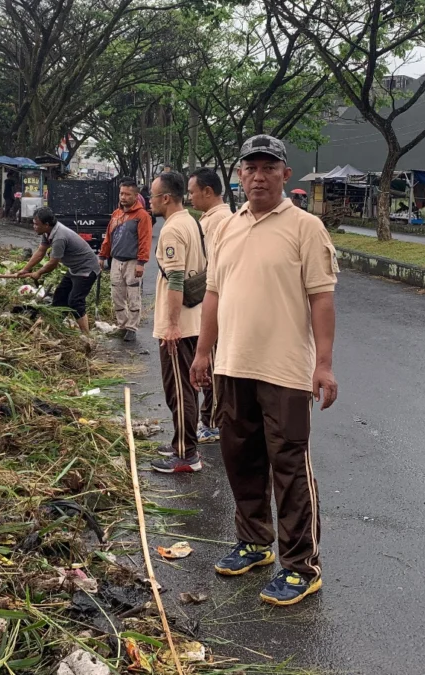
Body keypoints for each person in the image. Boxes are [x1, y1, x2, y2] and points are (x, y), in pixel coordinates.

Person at [191, 134, 339, 606]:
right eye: (250, 167)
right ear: (239, 174)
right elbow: (213, 295)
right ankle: (254, 542)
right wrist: (203, 353)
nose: (258, 175)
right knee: (240, 458)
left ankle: (301, 566)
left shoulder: (306, 227)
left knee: (289, 466)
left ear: (284, 175)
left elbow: (322, 297)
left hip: (286, 371)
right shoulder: (226, 228)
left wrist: (325, 364)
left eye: (268, 167)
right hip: (232, 365)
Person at [149, 171, 209, 473]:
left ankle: (186, 454)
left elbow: (175, 278)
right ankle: (181, 442)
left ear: (166, 199)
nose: (150, 201)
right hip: (194, 319)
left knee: (180, 390)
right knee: (185, 388)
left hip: (180, 325)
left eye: (153, 196)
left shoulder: (173, 230)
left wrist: (171, 325)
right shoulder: (191, 222)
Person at [185, 167, 230, 445]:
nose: (189, 197)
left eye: (192, 192)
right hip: (212, 301)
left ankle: (212, 422)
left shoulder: (220, 221)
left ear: (208, 192)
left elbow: (213, 269)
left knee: (212, 363)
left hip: (215, 302)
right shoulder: (209, 218)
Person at [18, 207, 101, 335]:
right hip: (74, 269)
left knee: (75, 301)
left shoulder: (59, 237)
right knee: (59, 297)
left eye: (36, 224)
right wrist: (25, 269)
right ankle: (56, 329)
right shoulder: (47, 233)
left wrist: (38, 273)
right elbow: (40, 252)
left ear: (46, 224)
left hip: (86, 269)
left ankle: (87, 336)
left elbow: (53, 263)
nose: (34, 226)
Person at [98, 179, 153, 342]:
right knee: (117, 295)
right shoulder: (116, 214)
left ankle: (131, 328)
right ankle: (122, 325)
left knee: (133, 296)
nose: (123, 197)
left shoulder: (142, 216)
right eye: (121, 193)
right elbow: (109, 237)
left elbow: (145, 240)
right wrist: (102, 255)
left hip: (132, 262)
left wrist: (141, 263)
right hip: (116, 261)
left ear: (135, 196)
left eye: (127, 194)